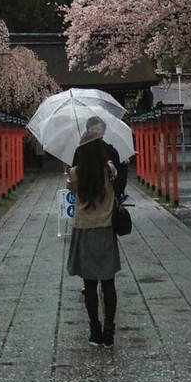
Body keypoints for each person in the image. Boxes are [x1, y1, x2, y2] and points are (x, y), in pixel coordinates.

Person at [66, 130, 121, 347]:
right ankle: (109, 330)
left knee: (89, 285)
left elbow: (70, 187)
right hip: (105, 230)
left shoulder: (76, 172)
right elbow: (115, 177)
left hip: (85, 231)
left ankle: (94, 330)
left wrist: (69, 171)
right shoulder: (109, 169)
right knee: (108, 283)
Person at [72, 115, 128, 202]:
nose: (95, 132)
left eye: (98, 129)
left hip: (107, 199)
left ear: (103, 132)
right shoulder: (80, 151)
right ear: (87, 131)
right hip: (85, 197)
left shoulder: (111, 151)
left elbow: (119, 176)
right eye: (92, 129)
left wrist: (116, 195)